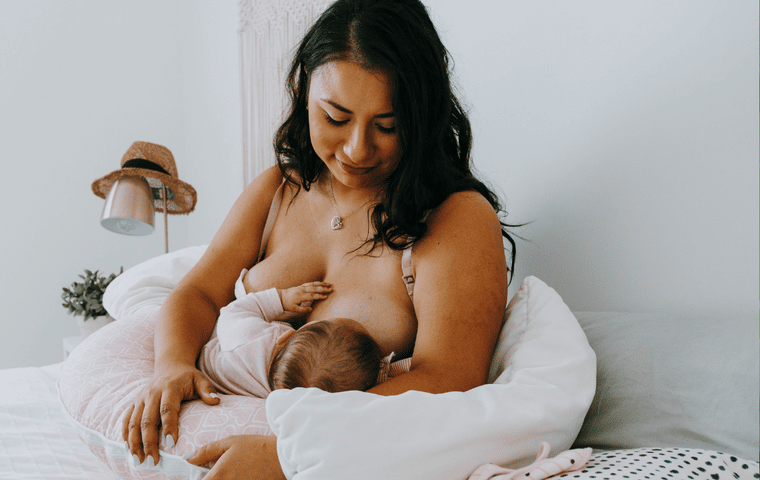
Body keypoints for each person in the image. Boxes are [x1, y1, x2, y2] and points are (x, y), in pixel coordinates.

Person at [122, 0, 517, 478]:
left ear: (422, 116)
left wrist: (295, 454)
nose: (356, 149)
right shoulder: (276, 189)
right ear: (304, 87)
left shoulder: (454, 218)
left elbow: (450, 379)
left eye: (387, 126)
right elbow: (200, 292)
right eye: (335, 117)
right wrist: (171, 366)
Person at [197, 278, 387, 397]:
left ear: (286, 337)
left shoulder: (250, 337)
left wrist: (280, 298)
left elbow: (232, 310)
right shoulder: (278, 394)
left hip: (212, 348)